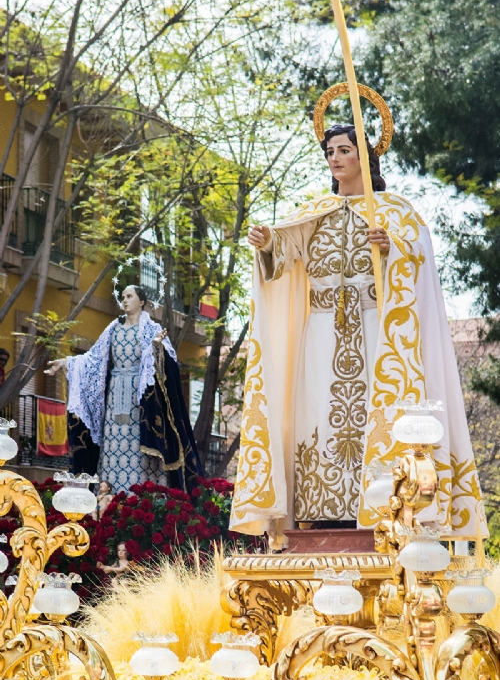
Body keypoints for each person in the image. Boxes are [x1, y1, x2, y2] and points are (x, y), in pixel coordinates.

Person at [229, 123, 487, 548]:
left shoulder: (398, 212)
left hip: (378, 337)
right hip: (320, 337)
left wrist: (392, 249)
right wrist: (266, 242)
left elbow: (419, 266)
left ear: (364, 157)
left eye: (345, 149)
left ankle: (384, 509)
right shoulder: (312, 212)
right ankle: (319, 519)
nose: (334, 157)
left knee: (376, 417)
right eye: (329, 150)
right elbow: (284, 256)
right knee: (317, 417)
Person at [46, 285, 203, 493]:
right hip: (114, 395)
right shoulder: (113, 328)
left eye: (130, 296)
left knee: (136, 446)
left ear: (142, 301)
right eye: (123, 297)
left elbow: (167, 364)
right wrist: (66, 362)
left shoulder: (152, 329)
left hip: (139, 398)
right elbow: (93, 358)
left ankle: (138, 498)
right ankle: (107, 495)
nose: (125, 300)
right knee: (112, 443)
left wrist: (156, 347)